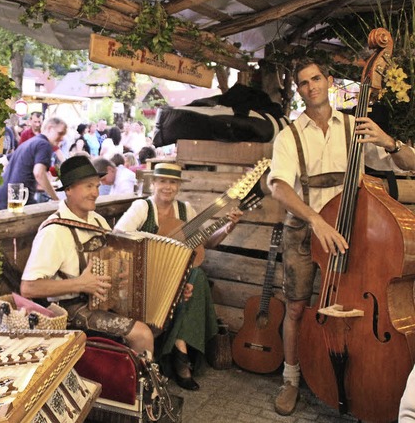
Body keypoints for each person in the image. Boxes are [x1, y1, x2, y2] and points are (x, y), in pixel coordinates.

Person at [268, 58, 415, 416]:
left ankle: (363, 378)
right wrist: (317, 220)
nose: (311, 86)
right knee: (297, 306)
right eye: (303, 83)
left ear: (329, 81)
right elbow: (278, 186)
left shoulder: (355, 125)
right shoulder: (289, 135)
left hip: (353, 232)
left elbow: (411, 163)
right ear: (299, 90)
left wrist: (389, 142)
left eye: (316, 78)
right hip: (307, 229)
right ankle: (291, 378)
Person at [114, 162, 241, 390]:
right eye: (163, 181)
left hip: (174, 275)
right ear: (153, 183)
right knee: (195, 280)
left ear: (178, 186)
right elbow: (118, 234)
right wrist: (159, 243)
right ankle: (181, 361)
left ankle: (179, 351)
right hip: (143, 275)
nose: (168, 187)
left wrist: (228, 228)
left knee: (196, 277)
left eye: (173, 182)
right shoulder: (142, 208)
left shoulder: (186, 210)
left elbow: (206, 243)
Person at [20, 155, 154, 356]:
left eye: (97, 186)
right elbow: (28, 288)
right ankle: (137, 385)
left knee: (153, 316)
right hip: (70, 309)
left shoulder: (98, 221)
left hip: (104, 300)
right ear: (68, 190)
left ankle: (128, 377)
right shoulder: (53, 231)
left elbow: (113, 260)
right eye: (88, 186)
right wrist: (81, 284)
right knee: (142, 334)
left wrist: (120, 275)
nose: (95, 193)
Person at [0, 117, 67, 210]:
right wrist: (57, 200)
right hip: (18, 200)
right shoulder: (43, 144)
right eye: (60, 133)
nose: (62, 138)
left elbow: (3, 161)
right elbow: (39, 173)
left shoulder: (30, 143)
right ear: (49, 128)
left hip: (4, 199)